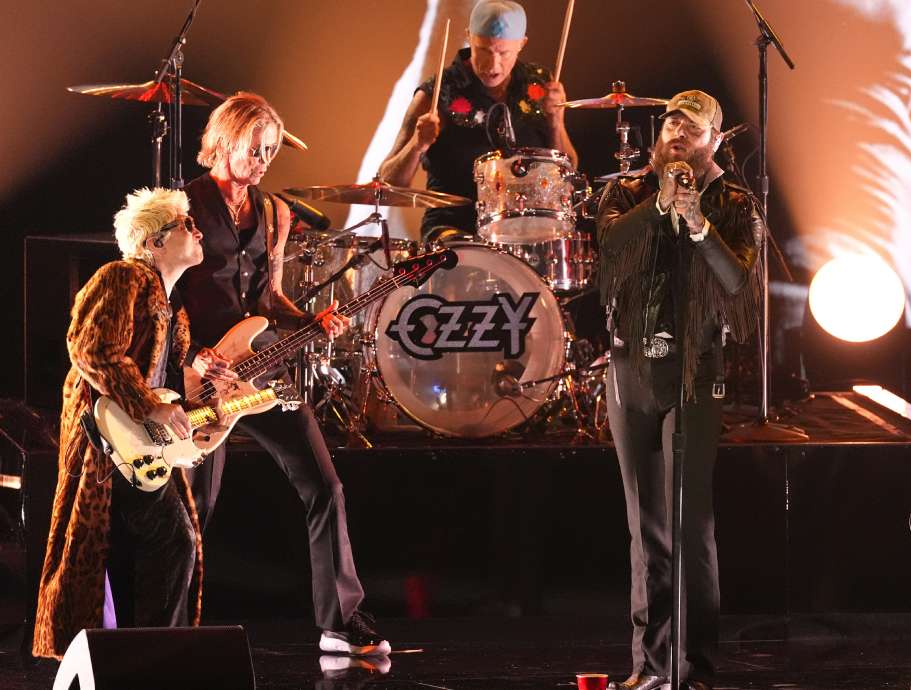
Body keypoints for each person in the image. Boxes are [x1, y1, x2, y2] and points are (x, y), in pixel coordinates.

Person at [179, 92, 390, 656]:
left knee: (324, 484)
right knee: (194, 504)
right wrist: (193, 356)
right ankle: (172, 628)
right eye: (257, 146)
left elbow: (268, 295)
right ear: (225, 140)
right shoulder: (183, 205)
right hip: (198, 373)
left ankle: (340, 623)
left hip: (260, 369)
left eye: (272, 149)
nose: (266, 158)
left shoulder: (274, 212)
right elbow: (161, 293)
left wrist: (311, 320)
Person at [596, 90, 763, 690]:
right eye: (669, 122)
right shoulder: (626, 191)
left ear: (715, 140)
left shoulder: (734, 201)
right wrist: (659, 204)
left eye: (691, 128)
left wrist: (697, 224)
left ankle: (694, 671)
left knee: (690, 525)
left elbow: (741, 282)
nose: (675, 133)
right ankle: (649, 667)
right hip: (630, 370)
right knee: (645, 528)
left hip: (693, 372)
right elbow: (607, 256)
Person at [33, 188, 215, 658]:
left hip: (140, 448)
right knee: (173, 540)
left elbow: (169, 385)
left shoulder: (174, 308)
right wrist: (148, 405)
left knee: (152, 550)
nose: (196, 230)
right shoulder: (123, 277)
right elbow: (91, 348)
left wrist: (213, 387)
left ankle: (143, 656)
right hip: (105, 446)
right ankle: (158, 658)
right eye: (184, 225)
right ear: (154, 242)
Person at [379, 0, 578, 235]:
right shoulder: (436, 93)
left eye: (503, 53)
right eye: (484, 50)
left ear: (521, 44)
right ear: (469, 37)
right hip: (452, 230)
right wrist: (417, 145)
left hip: (525, 232)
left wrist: (556, 122)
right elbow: (388, 184)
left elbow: (568, 172)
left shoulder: (540, 84)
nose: (493, 64)